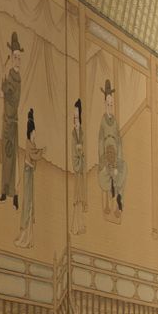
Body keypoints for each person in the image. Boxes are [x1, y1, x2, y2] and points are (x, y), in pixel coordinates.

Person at [0, 33, 24, 203]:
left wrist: (3, 87)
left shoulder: (16, 78)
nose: (17, 60)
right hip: (8, 122)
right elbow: (4, 91)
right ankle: (6, 190)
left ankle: (10, 192)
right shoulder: (12, 76)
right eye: (15, 57)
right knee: (7, 158)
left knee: (10, 157)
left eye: (19, 58)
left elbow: (8, 93)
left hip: (11, 123)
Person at [96, 79, 127, 219]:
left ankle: (119, 205)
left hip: (115, 155)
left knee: (122, 170)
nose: (110, 106)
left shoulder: (115, 122)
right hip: (105, 156)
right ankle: (107, 204)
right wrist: (103, 159)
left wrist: (118, 159)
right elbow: (100, 141)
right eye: (108, 104)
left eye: (111, 104)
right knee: (106, 172)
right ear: (104, 105)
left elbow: (119, 142)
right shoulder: (103, 122)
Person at [15, 109, 44, 249]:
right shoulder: (28, 144)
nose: (35, 134)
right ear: (31, 133)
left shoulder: (31, 144)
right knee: (27, 203)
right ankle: (25, 237)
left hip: (30, 174)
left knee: (30, 202)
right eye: (34, 132)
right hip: (27, 174)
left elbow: (35, 155)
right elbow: (34, 155)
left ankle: (29, 238)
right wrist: (43, 151)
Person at [69, 98, 88, 235]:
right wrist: (78, 152)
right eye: (74, 118)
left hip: (81, 169)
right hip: (77, 169)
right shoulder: (73, 134)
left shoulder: (82, 133)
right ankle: (75, 226)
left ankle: (80, 225)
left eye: (77, 118)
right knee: (76, 196)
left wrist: (81, 152)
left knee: (81, 195)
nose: (75, 121)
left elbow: (84, 151)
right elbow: (73, 151)